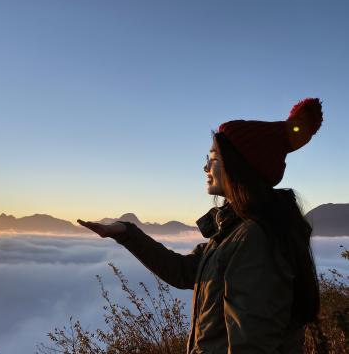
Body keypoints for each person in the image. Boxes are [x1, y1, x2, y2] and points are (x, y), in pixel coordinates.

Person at [78, 98, 323, 353]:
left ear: (239, 166)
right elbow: (185, 272)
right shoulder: (235, 231)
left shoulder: (254, 238)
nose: (206, 166)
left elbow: (253, 345)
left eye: (214, 158)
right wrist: (127, 233)